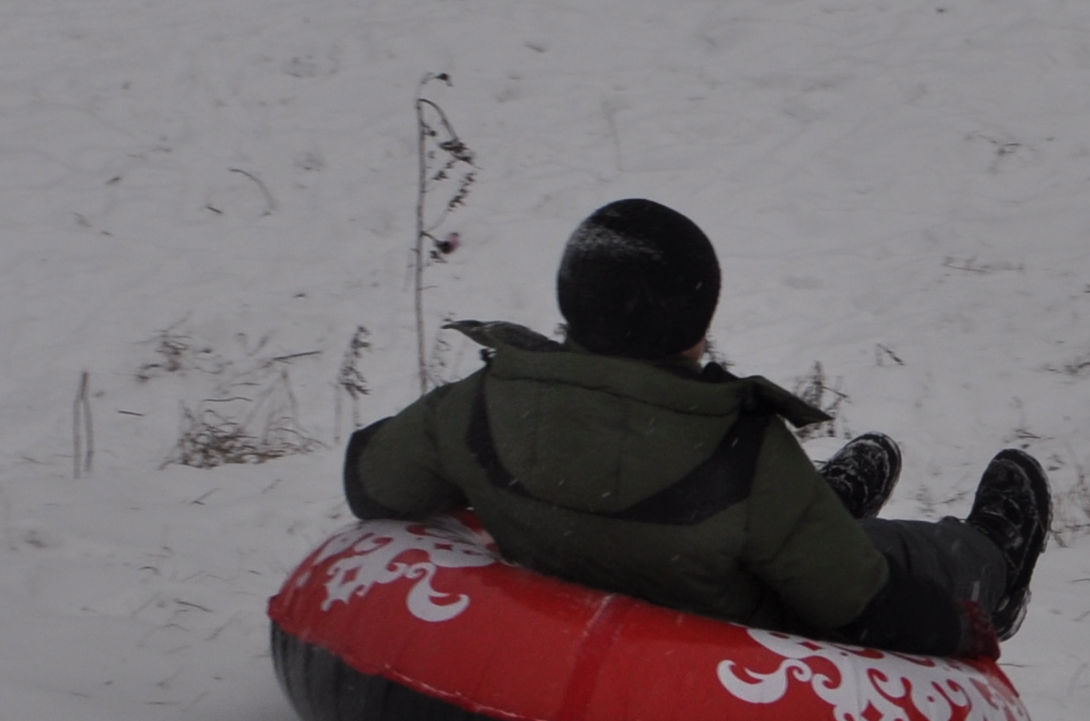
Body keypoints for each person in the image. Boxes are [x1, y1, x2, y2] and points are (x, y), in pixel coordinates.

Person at [343, 197, 1051, 658]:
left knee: (772, 518)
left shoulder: (477, 403)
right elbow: (859, 600)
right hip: (721, 617)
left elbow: (370, 480)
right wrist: (955, 629)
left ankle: (820, 508)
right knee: (886, 553)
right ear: (696, 328)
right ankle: (994, 561)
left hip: (607, 558)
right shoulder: (740, 449)